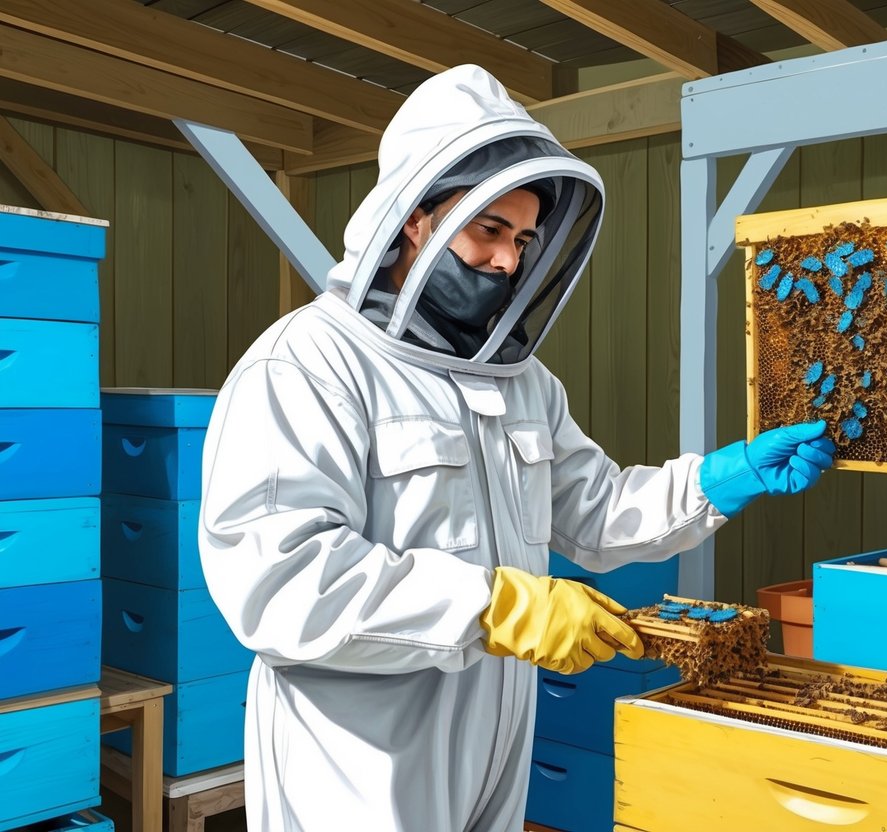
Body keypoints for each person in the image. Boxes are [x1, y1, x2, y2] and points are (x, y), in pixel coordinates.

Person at [198, 64, 835, 832]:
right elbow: (279, 581)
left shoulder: (522, 382)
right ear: (415, 219)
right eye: (487, 230)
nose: (507, 261)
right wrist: (493, 606)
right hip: (359, 755)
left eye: (524, 238)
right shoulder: (309, 364)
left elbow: (592, 511)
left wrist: (719, 480)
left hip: (495, 728)